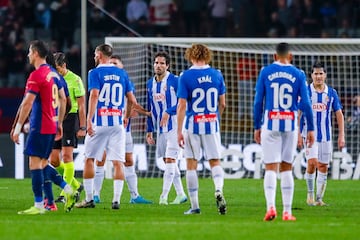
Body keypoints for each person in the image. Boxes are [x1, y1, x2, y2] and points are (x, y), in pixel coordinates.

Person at [10, 40, 77, 214]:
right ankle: (69, 191)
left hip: (39, 125)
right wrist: (60, 121)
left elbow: (27, 104)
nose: (28, 55)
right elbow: (63, 99)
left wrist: (17, 129)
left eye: (30, 52)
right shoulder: (55, 74)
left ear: (36, 53)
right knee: (43, 163)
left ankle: (39, 205)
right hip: (52, 125)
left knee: (34, 163)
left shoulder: (37, 75)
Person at [253, 42, 315, 221]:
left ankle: (271, 208)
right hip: (290, 125)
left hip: (270, 124)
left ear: (274, 56)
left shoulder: (266, 71)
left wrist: (257, 125)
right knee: (287, 168)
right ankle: (287, 212)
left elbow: (258, 102)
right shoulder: (298, 74)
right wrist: (310, 128)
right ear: (291, 56)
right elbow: (305, 103)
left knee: (271, 168)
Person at [75, 44, 136, 210]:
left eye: (95, 54)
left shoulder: (94, 73)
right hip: (117, 123)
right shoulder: (122, 73)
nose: (94, 56)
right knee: (118, 162)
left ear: (100, 54)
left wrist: (88, 120)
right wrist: (126, 116)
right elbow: (132, 100)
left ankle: (89, 199)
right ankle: (116, 200)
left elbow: (94, 95)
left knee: (89, 159)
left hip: (99, 122)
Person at [93, 55, 152, 204]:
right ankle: (95, 194)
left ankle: (135, 195)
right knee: (101, 159)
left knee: (128, 160)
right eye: (110, 62)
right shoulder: (102, 79)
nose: (112, 65)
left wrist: (143, 112)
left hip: (124, 129)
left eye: (115, 63)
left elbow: (133, 103)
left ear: (122, 66)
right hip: (105, 124)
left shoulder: (125, 80)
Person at [177, 44, 226, 215]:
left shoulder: (186, 76)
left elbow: (182, 106)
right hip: (211, 124)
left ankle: (195, 206)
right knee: (215, 161)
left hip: (193, 125)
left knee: (191, 164)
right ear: (207, 55)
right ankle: (218, 189)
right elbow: (223, 103)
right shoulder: (217, 74)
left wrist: (178, 131)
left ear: (190, 56)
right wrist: (214, 118)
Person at [298, 61, 345, 206]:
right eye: (315, 73)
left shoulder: (331, 93)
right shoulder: (305, 91)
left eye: (321, 73)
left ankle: (319, 199)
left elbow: (339, 114)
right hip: (309, 135)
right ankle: (310, 196)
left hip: (326, 136)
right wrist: (298, 134)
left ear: (325, 75)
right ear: (311, 75)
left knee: (324, 166)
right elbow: (298, 113)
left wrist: (341, 134)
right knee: (312, 163)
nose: (318, 76)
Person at [146, 51, 187, 205]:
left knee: (170, 159)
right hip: (160, 128)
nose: (159, 65)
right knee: (168, 160)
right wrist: (149, 129)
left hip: (176, 125)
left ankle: (163, 196)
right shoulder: (150, 83)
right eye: (157, 62)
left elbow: (183, 102)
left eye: (162, 63)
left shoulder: (175, 81)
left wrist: (169, 112)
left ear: (167, 66)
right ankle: (181, 194)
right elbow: (151, 107)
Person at [49, 52, 86, 204]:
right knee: (54, 160)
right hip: (55, 119)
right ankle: (76, 185)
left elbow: (82, 105)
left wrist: (83, 126)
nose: (55, 71)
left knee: (67, 156)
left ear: (64, 66)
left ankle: (65, 193)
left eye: (57, 68)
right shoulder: (51, 78)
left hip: (70, 119)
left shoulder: (75, 79)